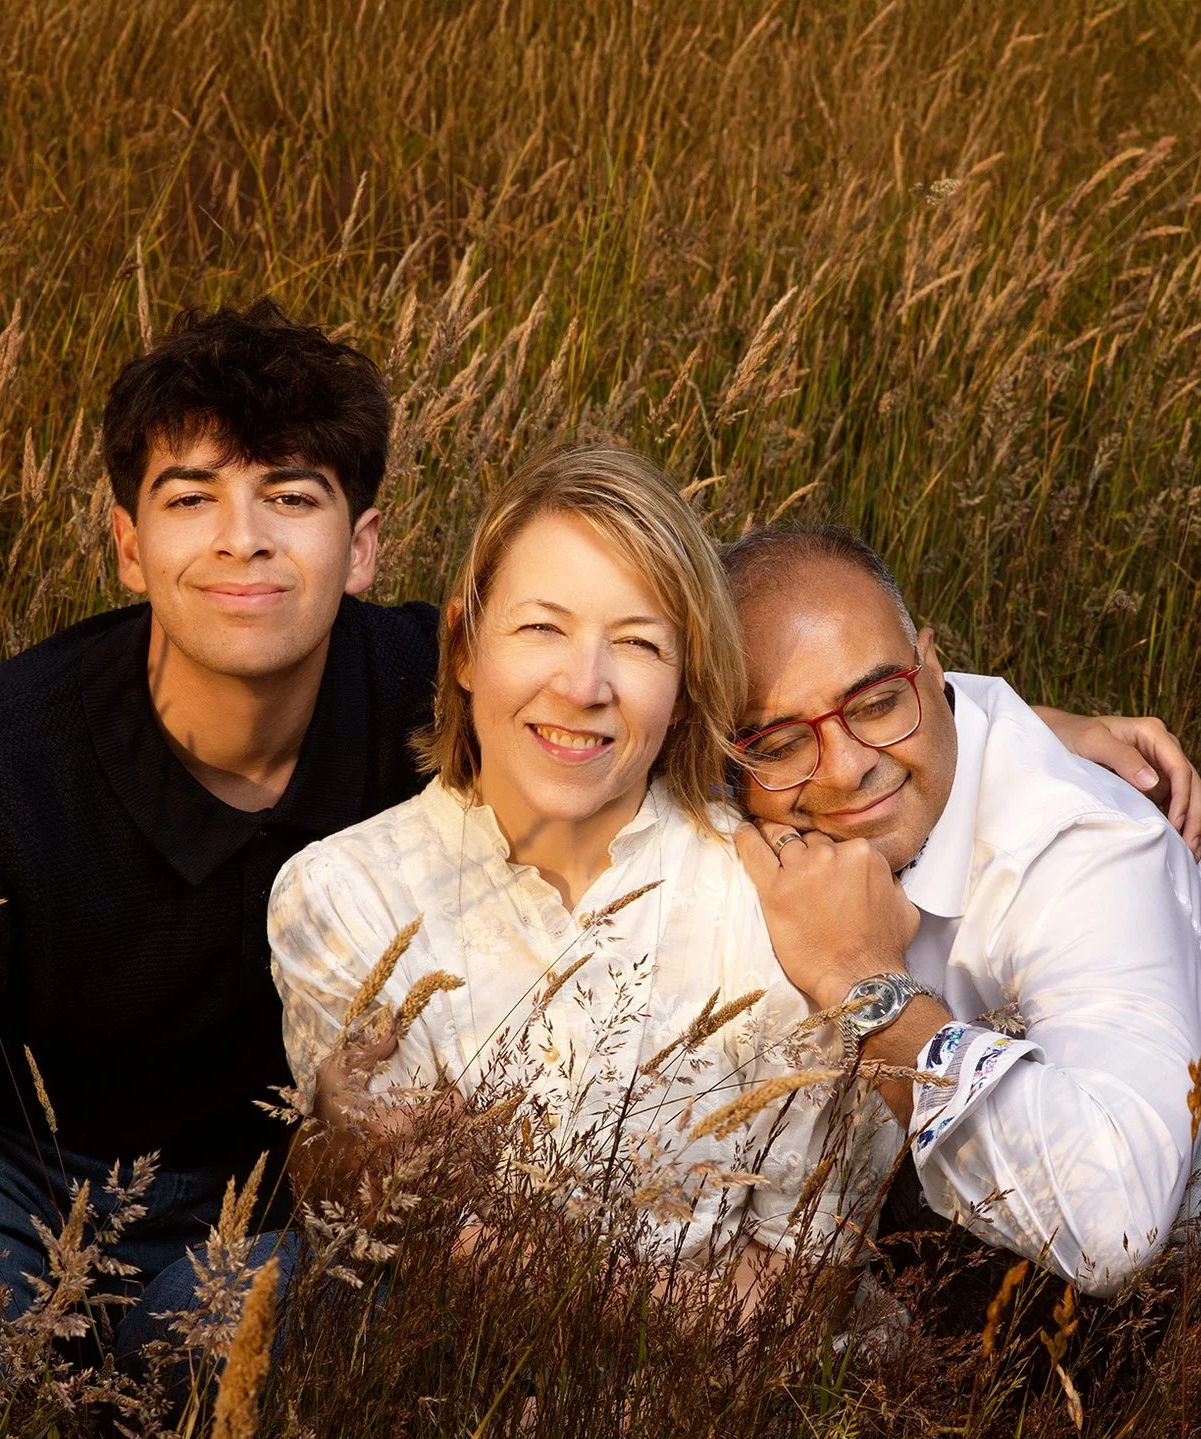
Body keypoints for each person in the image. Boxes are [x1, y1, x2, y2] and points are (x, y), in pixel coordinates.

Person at [0, 302, 1201, 1439]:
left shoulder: (463, 675)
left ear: (366, 550)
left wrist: (1010, 728)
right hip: (17, 1157)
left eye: (291, 497)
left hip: (245, 1197)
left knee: (293, 1402)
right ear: (123, 544)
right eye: (191, 501)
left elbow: (707, 678)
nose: (246, 546)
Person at [720, 524, 1201, 1301]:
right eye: (780, 744)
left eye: (878, 703)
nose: (848, 768)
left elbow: (1118, 1223)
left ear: (930, 668)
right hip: (1012, 1233)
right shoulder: (774, 792)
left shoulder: (1087, 844)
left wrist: (863, 984)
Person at [267, 446, 885, 1298]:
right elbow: (399, 1238)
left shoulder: (777, 902)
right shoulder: (343, 895)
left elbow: (799, 1286)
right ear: (464, 649)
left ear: (685, 686)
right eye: (541, 628)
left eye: (636, 644)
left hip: (728, 1402)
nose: (584, 683)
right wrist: (339, 1157)